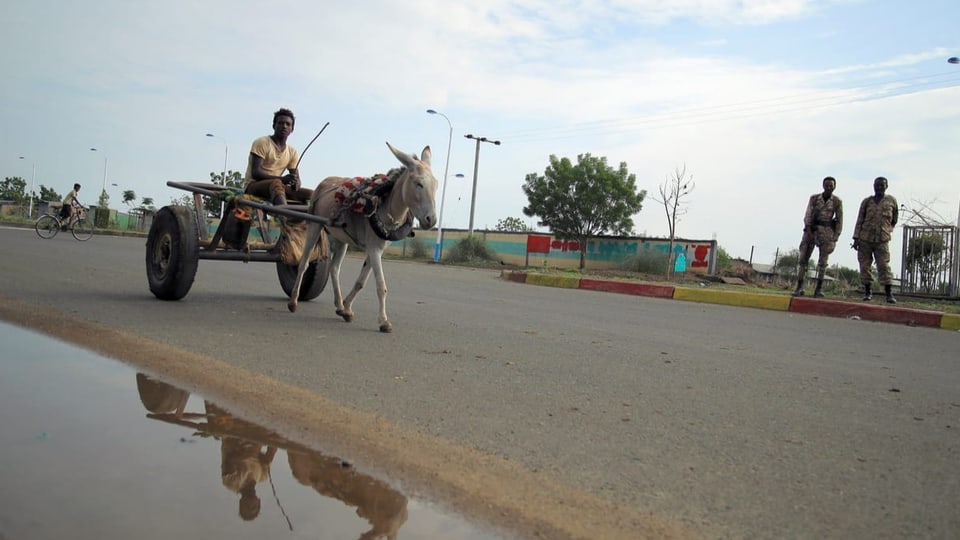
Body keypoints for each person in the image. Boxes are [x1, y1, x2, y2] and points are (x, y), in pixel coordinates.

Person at [243, 108, 313, 207]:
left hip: (277, 187)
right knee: (276, 184)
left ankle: (303, 222)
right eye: (280, 123)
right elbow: (255, 173)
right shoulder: (262, 142)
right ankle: (283, 217)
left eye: (288, 124)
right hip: (254, 186)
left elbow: (296, 177)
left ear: (292, 129)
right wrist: (282, 179)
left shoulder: (292, 152)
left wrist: (296, 183)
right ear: (274, 126)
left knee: (311, 194)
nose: (284, 126)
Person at [792, 176, 843, 298]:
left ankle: (819, 288)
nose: (829, 187)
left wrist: (835, 237)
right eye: (827, 185)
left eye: (831, 186)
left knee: (823, 262)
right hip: (811, 230)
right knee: (803, 259)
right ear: (823, 185)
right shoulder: (814, 199)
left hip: (826, 232)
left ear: (834, 187)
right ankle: (800, 287)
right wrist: (808, 230)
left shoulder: (837, 201)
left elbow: (840, 220)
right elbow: (808, 214)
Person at [852, 176, 899, 303]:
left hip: (882, 239)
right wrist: (856, 238)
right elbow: (860, 219)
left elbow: (894, 219)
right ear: (873, 186)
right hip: (865, 238)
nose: (879, 187)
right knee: (865, 266)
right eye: (877, 185)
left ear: (886, 186)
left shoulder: (891, 201)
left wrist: (887, 230)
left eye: (882, 185)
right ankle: (868, 292)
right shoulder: (867, 202)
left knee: (884, 266)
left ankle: (889, 294)